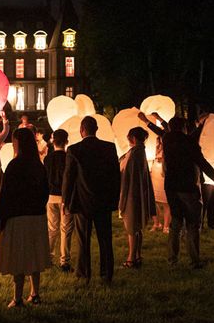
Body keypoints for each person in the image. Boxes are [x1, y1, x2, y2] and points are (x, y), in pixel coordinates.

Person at [154, 117, 214, 268]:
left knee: (176, 223)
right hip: (188, 188)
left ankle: (172, 260)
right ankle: (195, 261)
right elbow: (202, 163)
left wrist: (200, 127)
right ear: (184, 127)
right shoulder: (189, 142)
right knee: (193, 224)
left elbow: (168, 132)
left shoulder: (167, 139)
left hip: (171, 187)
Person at [0, 128, 50, 307]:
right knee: (34, 254)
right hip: (35, 215)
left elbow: (6, 192)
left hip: (17, 216)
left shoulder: (14, 165)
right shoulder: (38, 165)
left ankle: (17, 297)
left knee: (18, 256)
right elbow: (44, 191)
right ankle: (35, 293)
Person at [62, 116, 120, 284]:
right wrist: (114, 199)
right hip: (104, 201)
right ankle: (107, 273)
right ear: (96, 129)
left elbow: (69, 178)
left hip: (82, 202)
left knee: (83, 240)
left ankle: (84, 273)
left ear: (82, 130)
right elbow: (115, 176)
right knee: (105, 240)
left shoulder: (74, 150)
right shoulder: (109, 148)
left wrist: (65, 200)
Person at [118, 127, 156, 268]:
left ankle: (131, 259)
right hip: (136, 193)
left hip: (132, 195)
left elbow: (128, 175)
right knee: (137, 227)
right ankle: (137, 256)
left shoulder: (135, 154)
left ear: (132, 138)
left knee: (132, 228)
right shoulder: (139, 151)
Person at [43, 129, 73, 271]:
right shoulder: (68, 158)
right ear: (66, 141)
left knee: (52, 229)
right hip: (64, 197)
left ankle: (48, 258)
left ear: (52, 141)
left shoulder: (47, 159)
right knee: (65, 229)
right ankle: (64, 261)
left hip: (50, 197)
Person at [139, 111, 171, 233]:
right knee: (155, 199)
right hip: (156, 168)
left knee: (165, 200)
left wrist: (158, 118)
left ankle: (166, 225)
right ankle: (156, 223)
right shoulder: (156, 140)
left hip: (164, 169)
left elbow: (166, 128)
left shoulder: (169, 138)